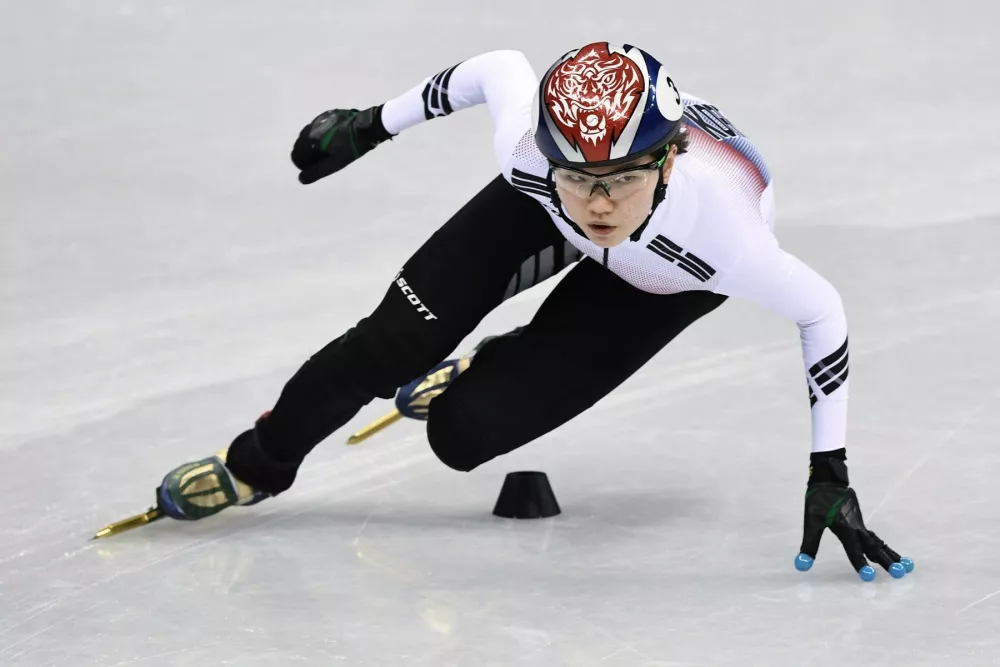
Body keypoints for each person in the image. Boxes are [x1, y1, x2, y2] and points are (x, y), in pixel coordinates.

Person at [156, 42, 911, 581]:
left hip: (661, 278)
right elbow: (498, 69)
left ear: (670, 158)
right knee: (389, 344)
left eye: (619, 179)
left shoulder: (727, 238)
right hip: (536, 213)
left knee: (460, 435)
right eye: (579, 177)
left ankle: (490, 362)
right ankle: (258, 463)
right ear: (546, 155)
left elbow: (823, 312)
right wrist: (368, 123)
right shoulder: (531, 158)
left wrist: (829, 468)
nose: (600, 204)